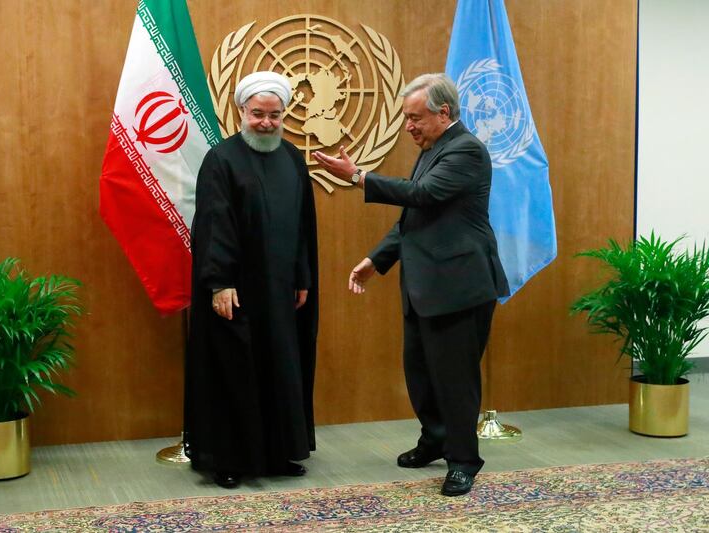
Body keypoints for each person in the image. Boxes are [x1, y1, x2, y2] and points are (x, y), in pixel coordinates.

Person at [313, 73, 508, 497]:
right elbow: (413, 219)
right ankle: (435, 439)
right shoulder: (433, 149)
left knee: (455, 379)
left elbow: (421, 195)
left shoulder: (467, 150)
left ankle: (463, 460)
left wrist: (358, 176)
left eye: (415, 118)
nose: (409, 127)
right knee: (420, 373)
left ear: (444, 112)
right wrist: (375, 260)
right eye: (406, 118)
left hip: (460, 287)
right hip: (424, 286)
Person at [184, 71, 319, 489]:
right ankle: (229, 458)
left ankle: (278, 452)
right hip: (236, 289)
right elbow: (213, 224)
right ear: (241, 112)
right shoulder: (222, 160)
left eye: (274, 115)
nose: (266, 122)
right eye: (258, 114)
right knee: (234, 370)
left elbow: (302, 226)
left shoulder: (293, 158)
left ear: (284, 115)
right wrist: (219, 282)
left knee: (279, 366)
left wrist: (302, 276)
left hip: (280, 290)